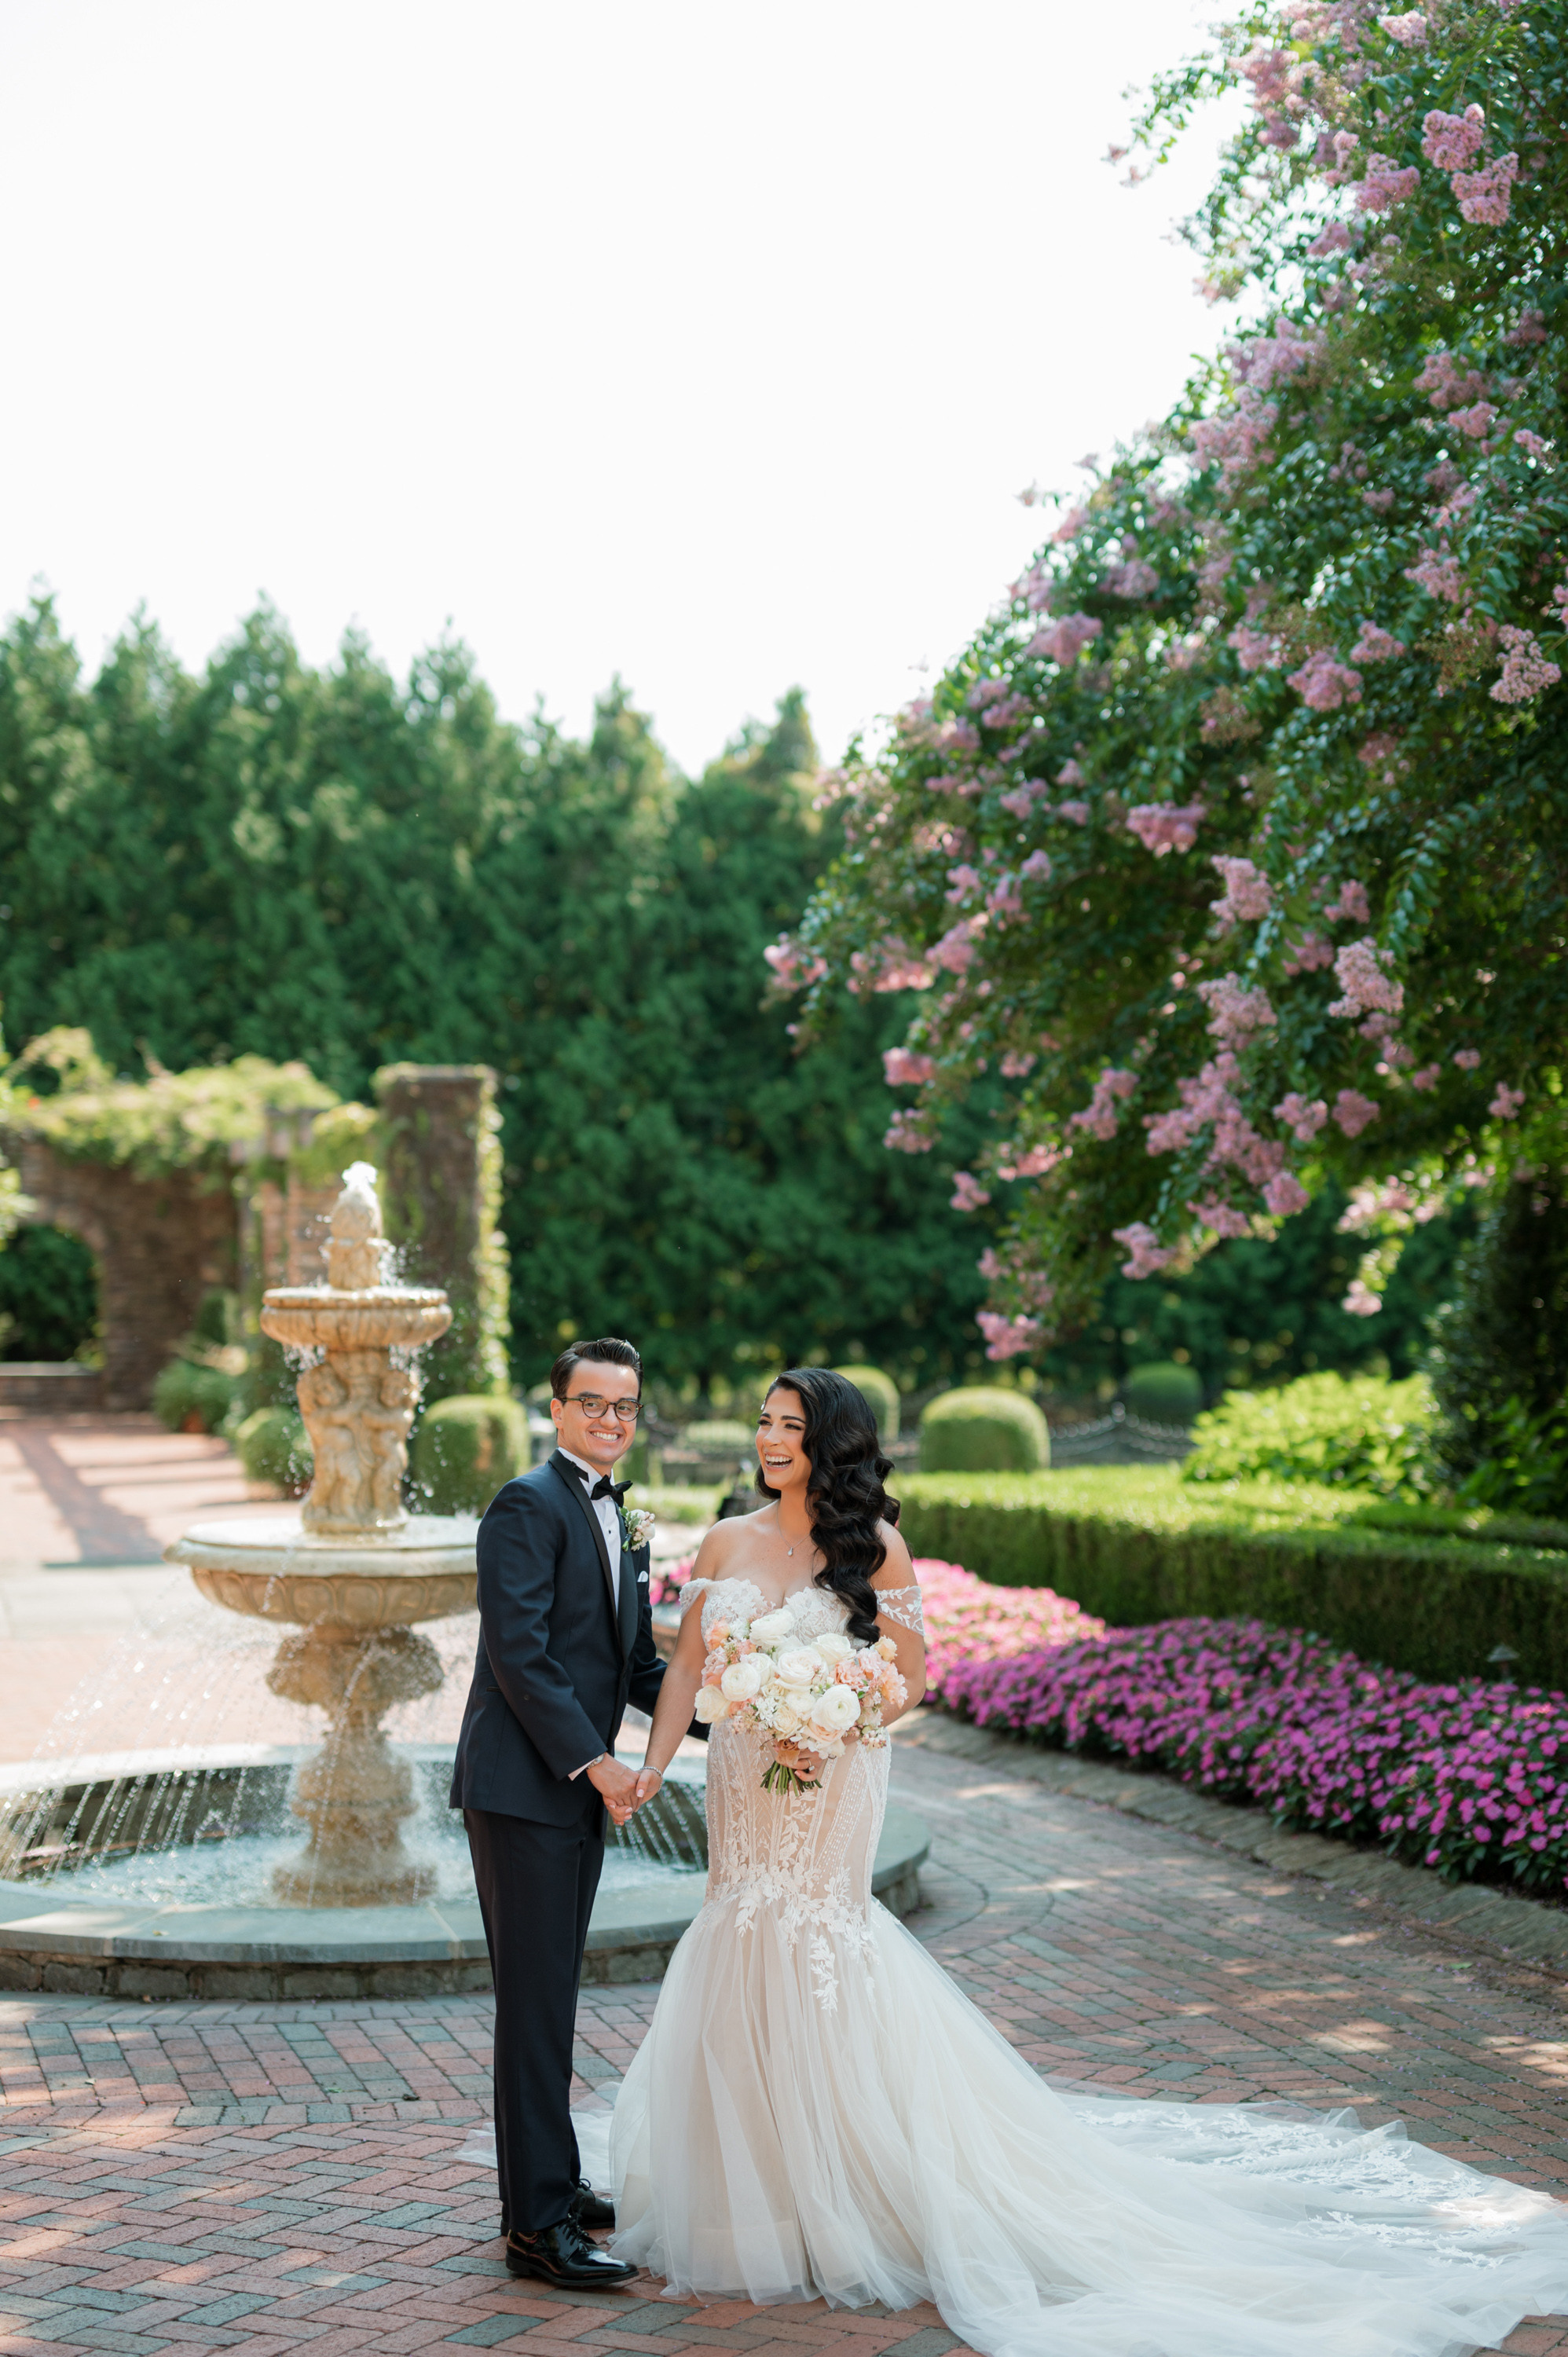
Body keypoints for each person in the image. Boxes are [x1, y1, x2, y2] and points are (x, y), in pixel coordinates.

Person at [590, 1366, 1568, 2357]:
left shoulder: (874, 1546)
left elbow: (912, 1680)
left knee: (814, 1937)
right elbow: (686, 1671)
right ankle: (757, 2191)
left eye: (789, 1425)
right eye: (762, 1421)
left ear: (829, 1440)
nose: (768, 1439)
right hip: (746, 1777)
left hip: (833, 1769)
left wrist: (830, 1719)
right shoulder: (725, 1540)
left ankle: (851, 2185)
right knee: (739, 1925)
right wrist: (651, 1768)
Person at [449, 1336, 666, 2292]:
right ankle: (535, 2231)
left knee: (553, 2001)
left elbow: (639, 1667)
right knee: (534, 2008)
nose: (610, 1421)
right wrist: (598, 1762)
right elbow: (519, 1656)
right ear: (557, 1410)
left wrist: (748, 1712)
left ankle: (556, 2185)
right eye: (592, 1405)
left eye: (625, 1407)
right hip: (525, 1787)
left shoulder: (629, 1518)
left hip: (570, 1792)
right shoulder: (526, 1504)